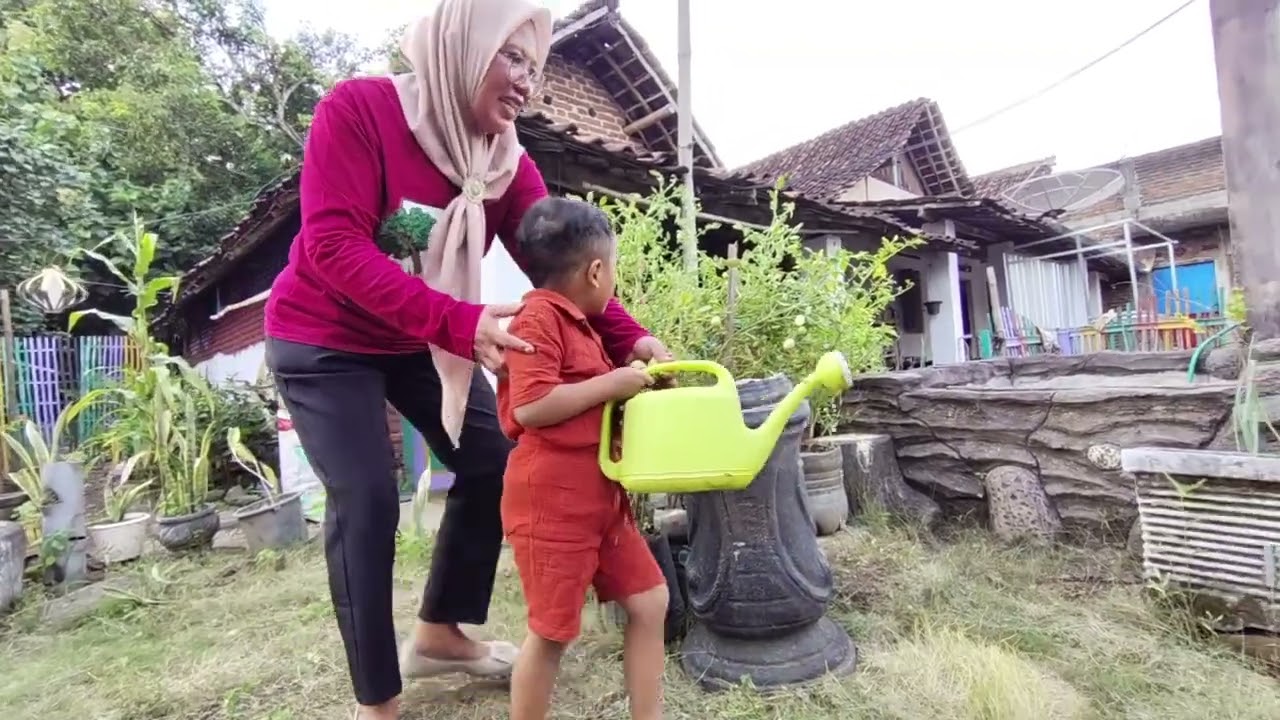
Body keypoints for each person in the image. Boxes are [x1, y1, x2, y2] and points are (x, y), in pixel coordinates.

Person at [262, 1, 673, 717]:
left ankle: (439, 634)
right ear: (462, 49)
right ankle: (378, 700)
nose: (526, 82)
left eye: (535, 67)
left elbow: (560, 263)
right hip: (323, 336)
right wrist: (457, 322)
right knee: (367, 497)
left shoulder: (504, 160)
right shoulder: (359, 112)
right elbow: (332, 246)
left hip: (418, 338)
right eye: (511, 58)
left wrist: (628, 336)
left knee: (494, 460)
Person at [499, 197, 669, 720]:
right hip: (551, 504)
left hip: (599, 496)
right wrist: (613, 383)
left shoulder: (581, 323)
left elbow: (588, 397)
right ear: (596, 271)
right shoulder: (536, 320)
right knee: (551, 632)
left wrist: (635, 377)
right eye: (613, 269)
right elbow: (531, 407)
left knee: (650, 601)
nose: (613, 281)